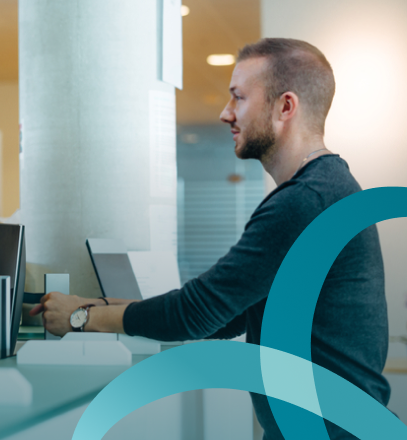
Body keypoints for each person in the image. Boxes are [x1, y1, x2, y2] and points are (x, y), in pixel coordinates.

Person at [30, 38, 389, 439]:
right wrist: (96, 304)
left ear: (285, 107)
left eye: (238, 98)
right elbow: (227, 314)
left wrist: (82, 319)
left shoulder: (304, 201)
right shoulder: (325, 188)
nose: (225, 113)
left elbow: (197, 313)